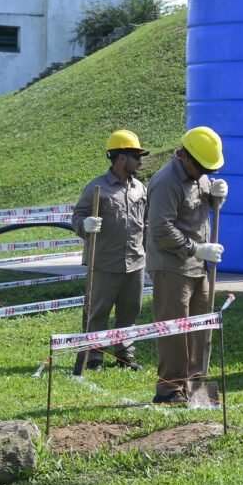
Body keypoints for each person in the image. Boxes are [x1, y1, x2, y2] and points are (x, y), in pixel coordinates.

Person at [147, 126, 227, 404]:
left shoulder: (199, 177)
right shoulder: (166, 182)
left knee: (200, 328)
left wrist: (217, 198)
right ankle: (170, 390)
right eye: (203, 167)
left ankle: (195, 388)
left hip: (199, 269)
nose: (206, 173)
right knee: (174, 331)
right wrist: (196, 249)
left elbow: (200, 209)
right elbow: (160, 228)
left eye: (210, 170)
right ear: (185, 157)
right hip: (172, 267)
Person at [71, 130, 150, 370]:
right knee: (99, 312)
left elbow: (146, 223)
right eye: (136, 156)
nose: (141, 161)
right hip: (104, 263)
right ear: (121, 158)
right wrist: (84, 225)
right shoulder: (97, 187)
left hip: (135, 262)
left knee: (130, 311)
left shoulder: (140, 188)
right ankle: (95, 356)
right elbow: (78, 216)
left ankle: (125, 355)